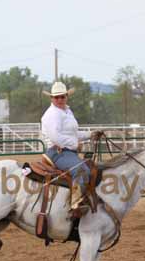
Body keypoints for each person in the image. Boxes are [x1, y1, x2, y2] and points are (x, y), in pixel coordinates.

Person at [41, 81, 102, 210]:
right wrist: (75, 144)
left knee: (91, 168)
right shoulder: (53, 114)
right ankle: (76, 203)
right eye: (56, 97)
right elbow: (55, 137)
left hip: (67, 152)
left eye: (62, 96)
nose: (60, 99)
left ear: (66, 96)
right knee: (82, 171)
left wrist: (90, 134)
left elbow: (72, 133)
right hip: (57, 152)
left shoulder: (67, 111)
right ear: (51, 98)